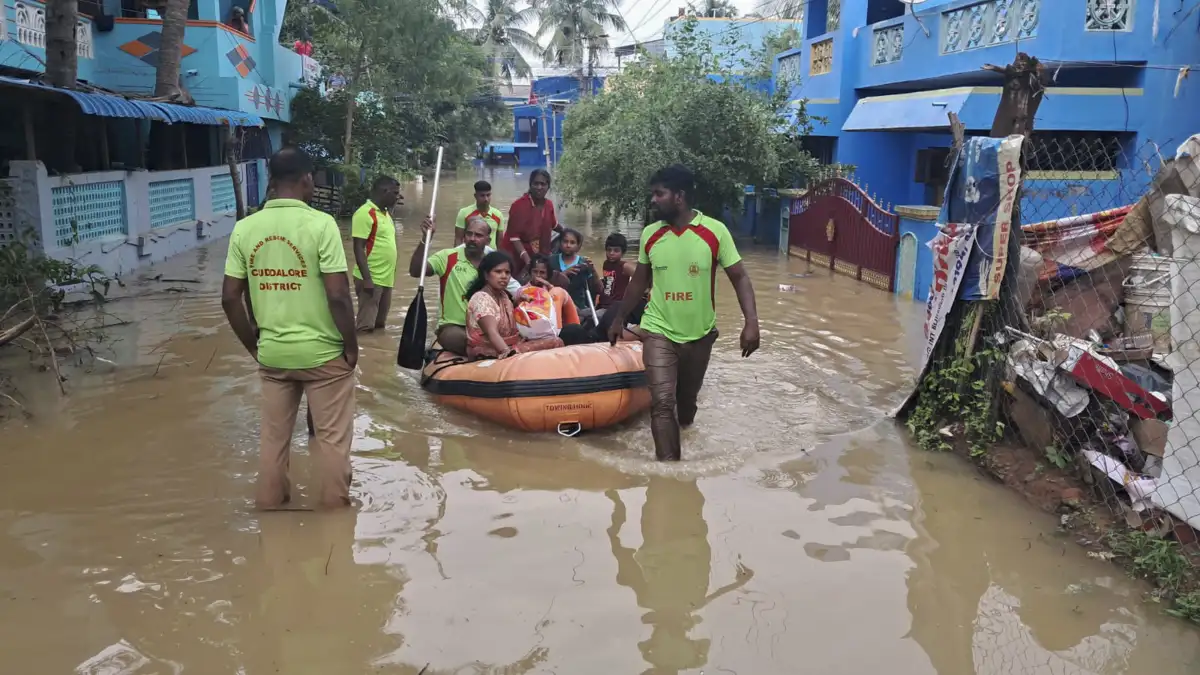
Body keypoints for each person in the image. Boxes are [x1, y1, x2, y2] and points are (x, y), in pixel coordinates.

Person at [220, 147, 358, 508]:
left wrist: (253, 345)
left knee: (273, 441)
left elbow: (230, 298)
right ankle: (333, 524)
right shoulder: (321, 224)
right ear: (307, 179)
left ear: (272, 180)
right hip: (325, 354)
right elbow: (339, 295)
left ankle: (271, 513)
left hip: (273, 355)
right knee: (331, 441)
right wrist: (352, 345)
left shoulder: (246, 228)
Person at [605, 164, 760, 462]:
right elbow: (640, 280)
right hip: (658, 329)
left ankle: (686, 432)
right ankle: (670, 475)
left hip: (700, 333)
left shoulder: (715, 232)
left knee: (686, 405)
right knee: (662, 403)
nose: (653, 200)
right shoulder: (651, 235)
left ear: (679, 196)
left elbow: (739, 277)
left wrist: (751, 322)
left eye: (659, 194)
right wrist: (619, 317)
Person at [411, 214, 520, 355]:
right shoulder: (448, 257)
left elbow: (516, 289)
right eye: (469, 234)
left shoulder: (495, 265)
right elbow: (415, 271)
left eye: (478, 235)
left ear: (488, 240)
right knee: (465, 340)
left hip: (487, 328)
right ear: (464, 236)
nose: (472, 239)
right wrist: (425, 239)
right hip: (455, 327)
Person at [465, 252, 564, 359]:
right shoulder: (481, 299)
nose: (504, 276)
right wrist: (508, 354)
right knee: (555, 342)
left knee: (553, 339)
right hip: (490, 351)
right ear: (486, 275)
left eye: (507, 273)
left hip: (510, 345)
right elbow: (491, 333)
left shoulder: (503, 296)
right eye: (498, 272)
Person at [350, 176, 401, 332]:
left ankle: (378, 353)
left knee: (380, 325)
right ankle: (364, 352)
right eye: (395, 193)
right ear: (384, 192)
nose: (398, 197)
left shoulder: (385, 214)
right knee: (365, 327)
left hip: (386, 278)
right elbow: (358, 248)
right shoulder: (365, 213)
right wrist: (367, 280)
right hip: (372, 278)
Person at [505, 169, 563, 278]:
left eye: (543, 184)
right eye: (536, 183)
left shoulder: (548, 205)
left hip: (538, 254)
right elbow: (514, 237)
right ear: (530, 185)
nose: (539, 187)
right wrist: (528, 261)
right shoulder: (518, 205)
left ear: (548, 187)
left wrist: (567, 233)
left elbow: (554, 224)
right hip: (517, 254)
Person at [550, 228, 602, 324]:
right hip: (555, 305)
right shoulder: (551, 261)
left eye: (572, 242)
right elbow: (545, 285)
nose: (568, 245)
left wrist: (593, 270)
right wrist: (564, 274)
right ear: (560, 243)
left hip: (579, 308)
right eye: (565, 241)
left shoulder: (583, 263)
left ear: (578, 246)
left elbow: (599, 289)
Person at [596, 232, 637, 322]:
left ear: (623, 252)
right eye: (609, 250)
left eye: (616, 251)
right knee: (580, 313)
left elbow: (641, 278)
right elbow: (606, 285)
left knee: (592, 317)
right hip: (603, 304)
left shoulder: (625, 266)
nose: (611, 253)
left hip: (614, 308)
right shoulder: (606, 264)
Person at [455, 180, 505, 249]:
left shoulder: (498, 215)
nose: (486, 199)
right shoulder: (464, 213)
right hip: (470, 254)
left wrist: (500, 258)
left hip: (491, 256)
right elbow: (458, 240)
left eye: (488, 195)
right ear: (475, 196)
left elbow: (500, 243)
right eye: (482, 196)